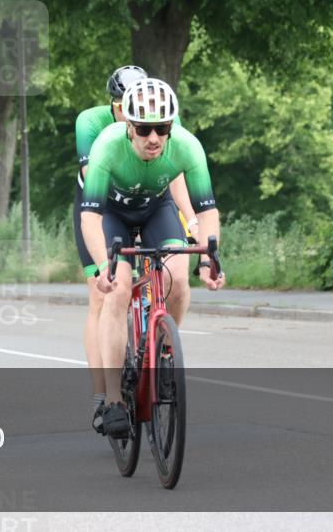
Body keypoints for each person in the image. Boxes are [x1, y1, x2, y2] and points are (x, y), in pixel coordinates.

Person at [79, 78, 225, 439]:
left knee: (178, 274)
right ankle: (113, 400)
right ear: (127, 125)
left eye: (162, 128)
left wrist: (209, 259)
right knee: (117, 289)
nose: (154, 138)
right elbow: (90, 218)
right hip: (111, 214)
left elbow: (207, 211)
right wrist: (102, 267)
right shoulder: (107, 146)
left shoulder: (188, 147)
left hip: (155, 209)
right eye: (144, 129)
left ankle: (161, 354)